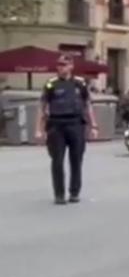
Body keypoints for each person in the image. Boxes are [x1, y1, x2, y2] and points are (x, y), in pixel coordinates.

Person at [35, 55, 97, 205]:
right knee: (57, 160)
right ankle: (59, 194)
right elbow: (42, 107)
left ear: (71, 66)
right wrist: (39, 129)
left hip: (75, 124)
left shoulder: (80, 84)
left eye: (64, 65)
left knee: (76, 160)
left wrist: (93, 125)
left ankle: (74, 192)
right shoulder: (51, 84)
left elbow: (88, 105)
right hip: (56, 125)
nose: (60, 67)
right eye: (59, 65)